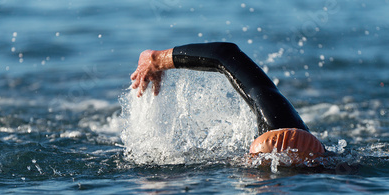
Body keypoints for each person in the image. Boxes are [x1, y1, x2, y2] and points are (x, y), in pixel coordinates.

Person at [130, 42, 325, 166]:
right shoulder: (281, 127)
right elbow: (225, 54)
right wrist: (157, 60)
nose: (249, 161)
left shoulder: (280, 134)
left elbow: (225, 54)